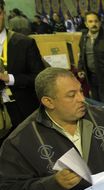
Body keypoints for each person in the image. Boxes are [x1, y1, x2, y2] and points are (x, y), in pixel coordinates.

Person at [0, 0, 45, 144]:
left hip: (21, 111)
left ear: (4, 14)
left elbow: (39, 78)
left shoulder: (24, 43)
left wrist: (10, 79)